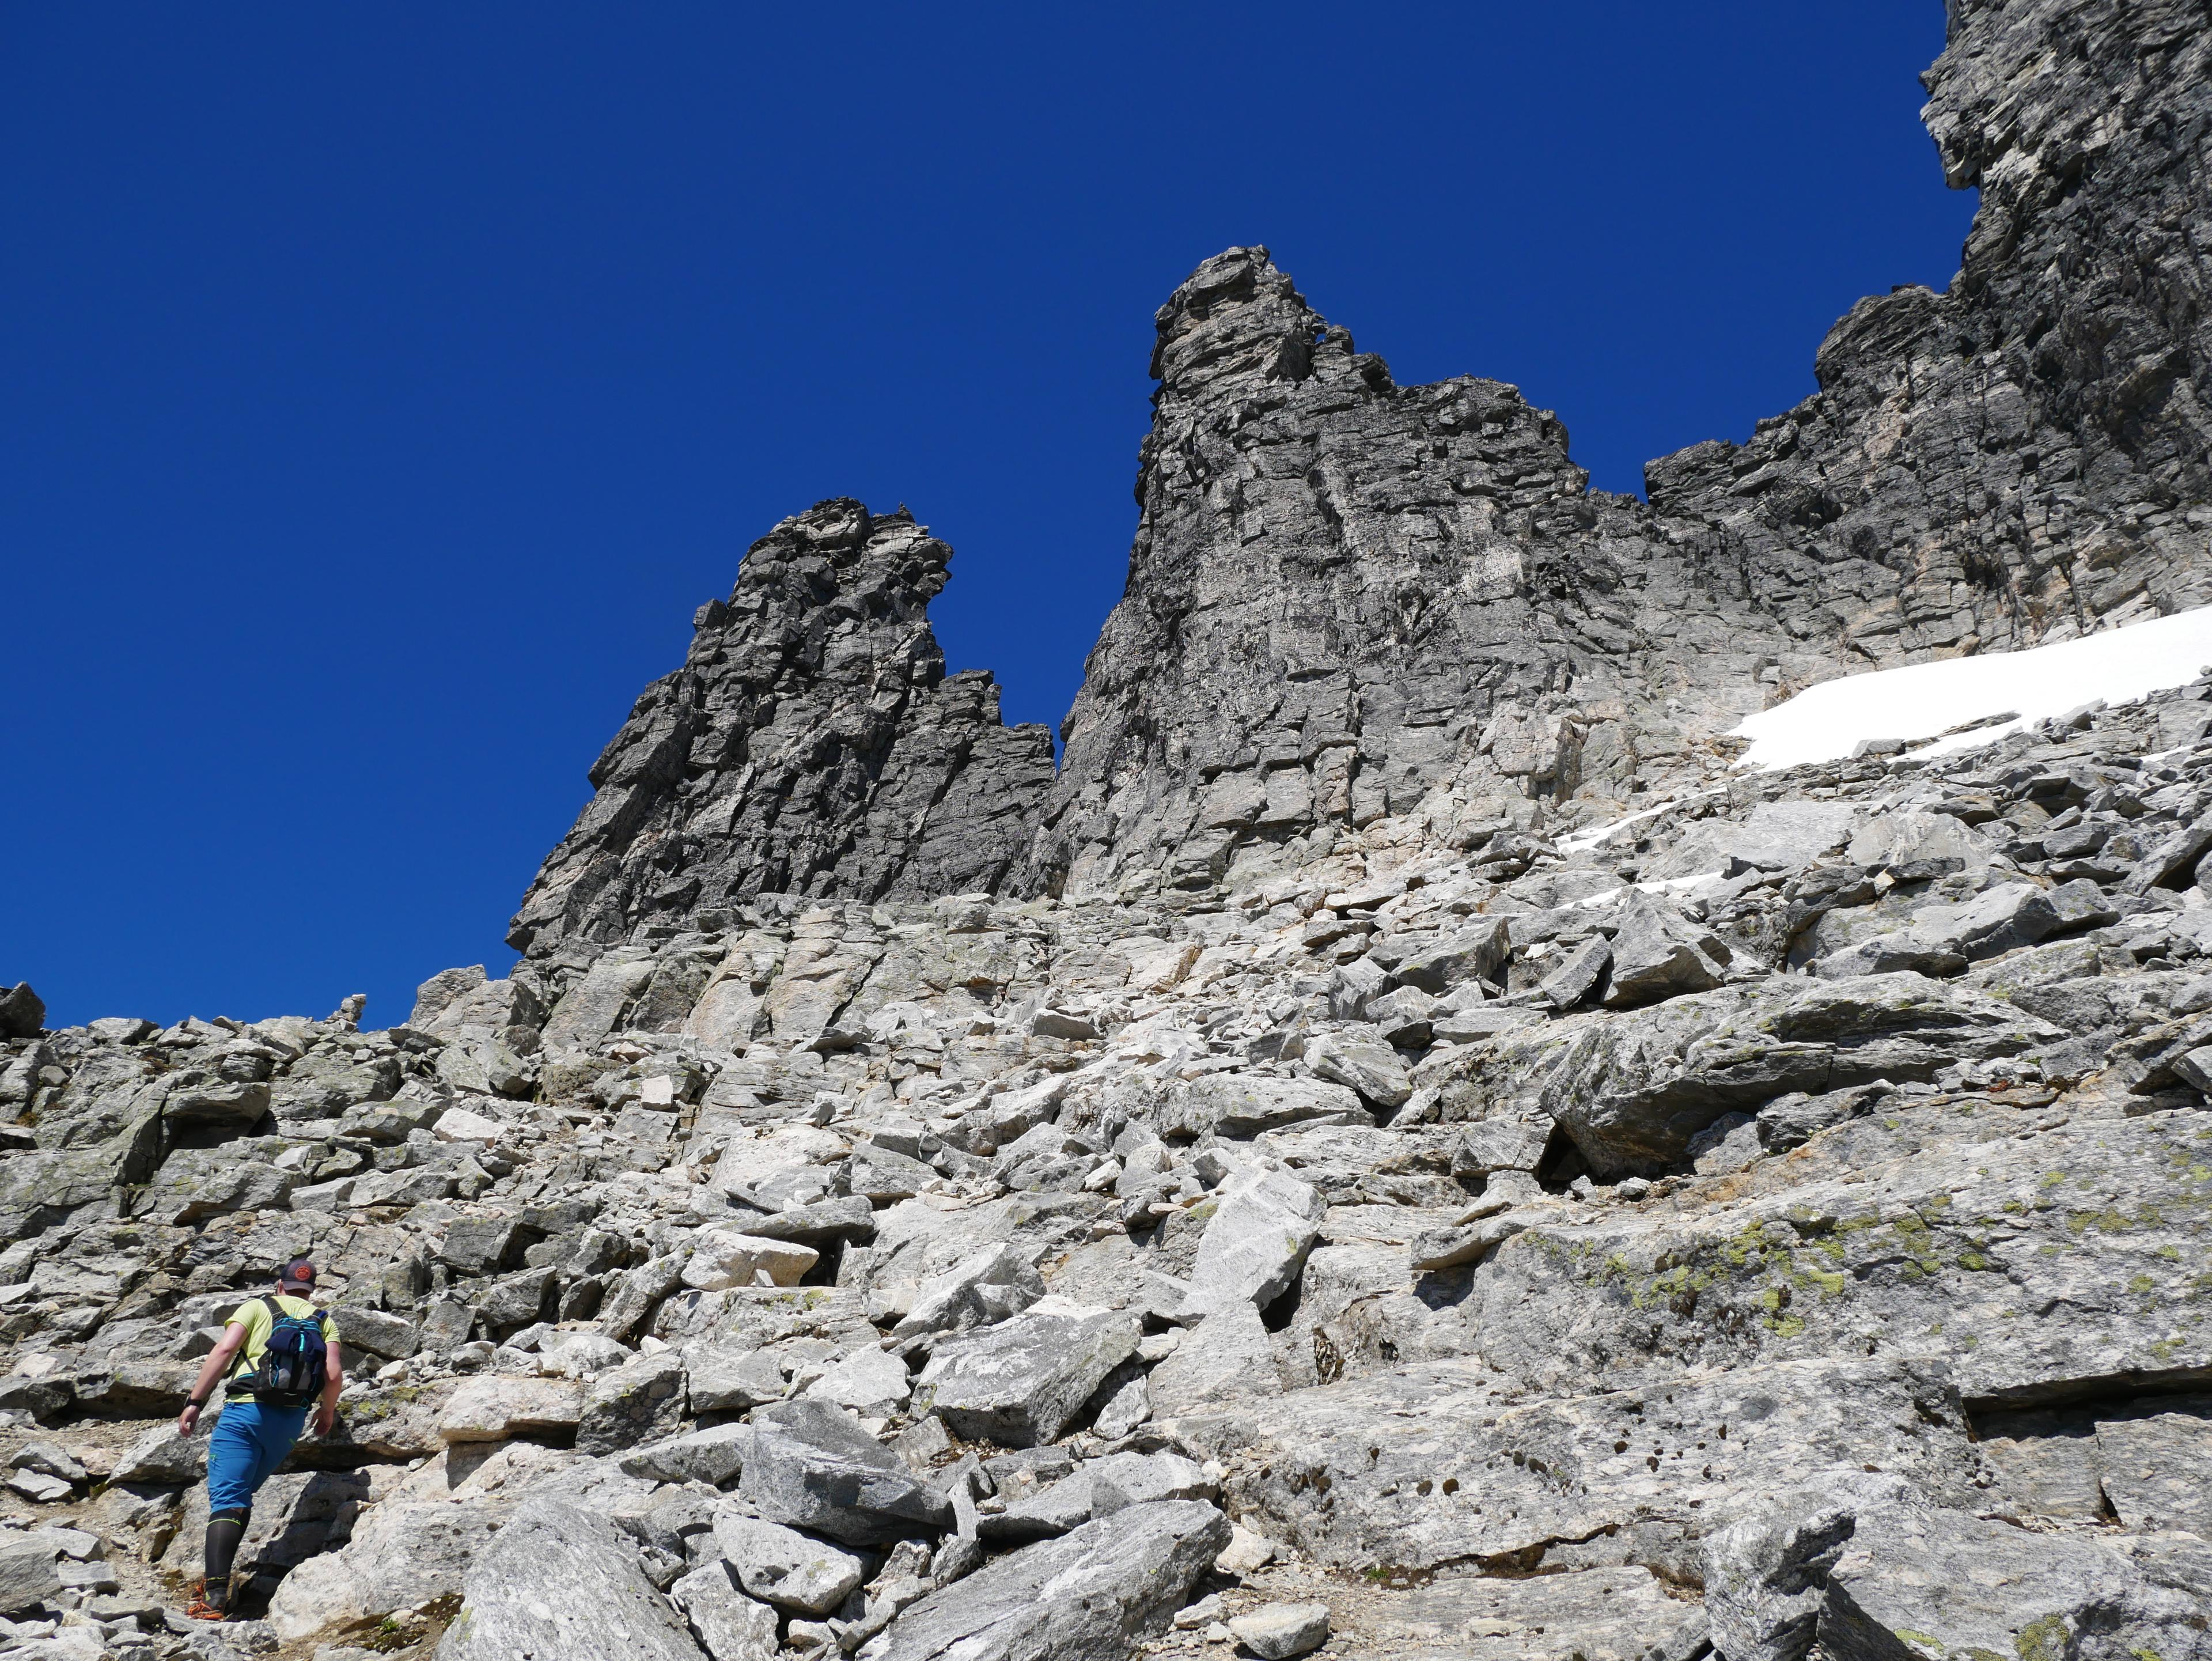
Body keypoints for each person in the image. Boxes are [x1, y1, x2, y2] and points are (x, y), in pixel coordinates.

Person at [173, 1258, 342, 1620]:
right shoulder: (323, 1320)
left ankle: (215, 1596)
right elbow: (333, 1373)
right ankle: (220, 1583)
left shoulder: (257, 1306)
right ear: (311, 1291)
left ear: (279, 1286)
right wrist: (326, 1412)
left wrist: (194, 1402)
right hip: (290, 1422)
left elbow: (223, 1351)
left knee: (228, 1498)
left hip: (246, 1412)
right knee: (242, 1494)